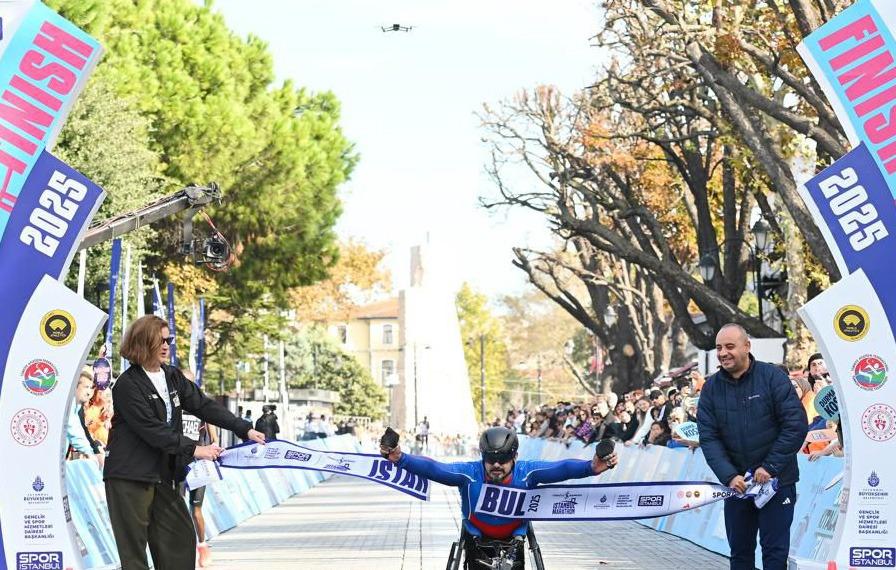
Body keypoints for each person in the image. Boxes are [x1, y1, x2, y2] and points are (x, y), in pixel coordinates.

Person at [103, 315, 266, 570]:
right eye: (161, 340)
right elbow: (152, 430)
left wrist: (243, 429)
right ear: (144, 343)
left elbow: (203, 404)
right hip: (129, 475)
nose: (167, 345)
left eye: (169, 340)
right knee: (134, 554)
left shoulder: (172, 376)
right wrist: (196, 449)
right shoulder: (127, 385)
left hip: (163, 474)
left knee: (180, 540)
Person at [380, 426, 618, 569]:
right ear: (482, 456)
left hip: (513, 541)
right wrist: (401, 459)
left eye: (503, 460)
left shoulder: (528, 471)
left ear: (514, 456)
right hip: (476, 542)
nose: (495, 465)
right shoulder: (470, 473)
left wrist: (591, 467)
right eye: (490, 459)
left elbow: (562, 468)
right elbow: (435, 468)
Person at [697, 323, 808, 570]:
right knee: (740, 554)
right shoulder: (711, 389)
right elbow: (709, 437)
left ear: (747, 347)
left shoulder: (772, 377)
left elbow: (796, 425)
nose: (723, 353)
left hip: (777, 483)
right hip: (737, 487)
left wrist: (770, 467)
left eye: (729, 346)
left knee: (775, 554)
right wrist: (729, 476)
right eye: (718, 348)